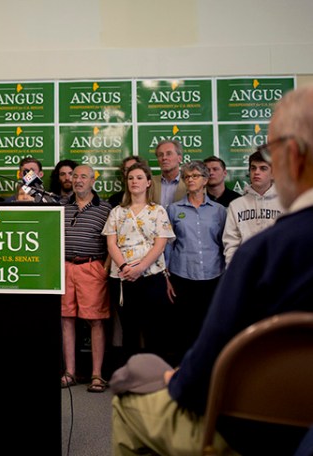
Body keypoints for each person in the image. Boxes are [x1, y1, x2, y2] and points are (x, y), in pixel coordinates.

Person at [110, 84, 313, 456]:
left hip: (260, 433)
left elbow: (202, 375)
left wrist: (175, 377)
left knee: (129, 394)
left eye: (273, 155)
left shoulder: (265, 253)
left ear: (294, 158)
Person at [103, 162, 175, 363]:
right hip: (123, 278)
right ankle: (132, 379)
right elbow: (111, 243)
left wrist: (141, 268)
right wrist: (126, 268)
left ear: (149, 183)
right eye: (131, 178)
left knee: (155, 331)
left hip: (152, 276)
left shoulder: (158, 211)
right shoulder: (117, 212)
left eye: (139, 178)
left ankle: (156, 380)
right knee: (130, 331)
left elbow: (160, 244)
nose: (135, 181)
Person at [165, 161, 226, 361]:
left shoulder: (219, 211)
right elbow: (168, 245)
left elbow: (225, 243)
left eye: (195, 176)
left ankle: (209, 370)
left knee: (210, 326)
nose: (190, 180)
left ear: (206, 180)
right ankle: (183, 372)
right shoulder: (173, 210)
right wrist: (166, 277)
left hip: (213, 275)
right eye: (187, 177)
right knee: (184, 328)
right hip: (182, 275)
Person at [60, 165, 112, 393]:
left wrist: (105, 268)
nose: (78, 180)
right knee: (66, 319)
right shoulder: (61, 206)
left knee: (96, 321)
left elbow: (114, 241)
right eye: (75, 177)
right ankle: (70, 372)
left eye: (83, 177)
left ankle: (97, 375)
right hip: (64, 267)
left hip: (92, 267)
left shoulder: (106, 208)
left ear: (93, 181)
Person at [222, 151, 283, 265]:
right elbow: (231, 243)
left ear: (273, 173)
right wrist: (234, 270)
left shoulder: (284, 203)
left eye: (263, 168)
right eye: (253, 168)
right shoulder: (236, 205)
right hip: (246, 269)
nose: (256, 172)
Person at [152, 140, 187, 207]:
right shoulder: (150, 183)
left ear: (179, 158)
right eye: (160, 155)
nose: (164, 158)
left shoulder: (189, 182)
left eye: (169, 154)